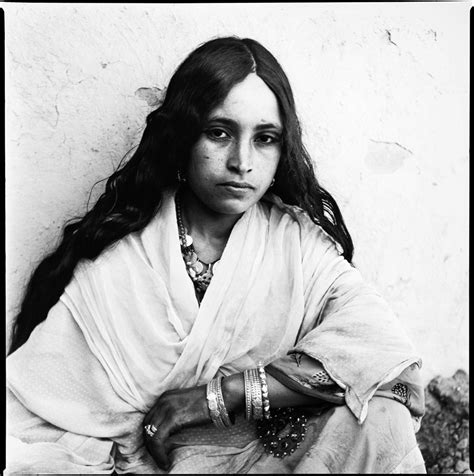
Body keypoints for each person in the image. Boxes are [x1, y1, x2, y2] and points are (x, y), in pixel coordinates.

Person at [6, 36, 426, 474]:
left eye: (265, 138)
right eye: (219, 133)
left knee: (381, 419)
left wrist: (220, 396)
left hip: (271, 459)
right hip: (152, 466)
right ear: (183, 138)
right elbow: (39, 417)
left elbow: (388, 360)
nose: (241, 162)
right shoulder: (125, 260)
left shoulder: (297, 247)